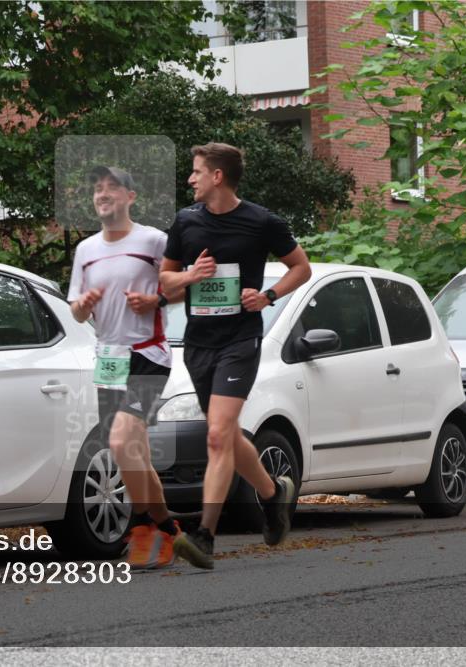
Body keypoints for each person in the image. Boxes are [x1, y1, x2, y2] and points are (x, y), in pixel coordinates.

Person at [160, 143, 312, 569]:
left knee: (216, 435)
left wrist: (267, 296)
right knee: (224, 434)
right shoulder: (185, 222)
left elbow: (302, 267)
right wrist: (192, 276)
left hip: (240, 342)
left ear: (217, 177)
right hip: (199, 343)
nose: (190, 179)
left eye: (195, 172)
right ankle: (272, 493)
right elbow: (165, 283)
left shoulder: (261, 222)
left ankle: (204, 535)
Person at [67, 166, 182, 568]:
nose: (102, 194)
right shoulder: (85, 250)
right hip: (109, 359)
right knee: (137, 454)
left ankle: (146, 525)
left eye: (112, 187)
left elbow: (181, 287)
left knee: (119, 444)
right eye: (97, 188)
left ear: (131, 196)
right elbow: (78, 311)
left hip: (148, 355)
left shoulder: (153, 240)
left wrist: (157, 302)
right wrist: (82, 306)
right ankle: (165, 531)